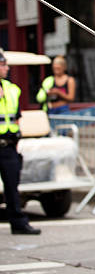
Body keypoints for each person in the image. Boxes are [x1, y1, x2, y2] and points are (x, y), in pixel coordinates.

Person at [0, 49, 41, 235]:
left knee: (12, 186)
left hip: (8, 145)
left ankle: (18, 223)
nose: (7, 68)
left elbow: (16, 117)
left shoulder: (12, 89)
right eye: (3, 65)